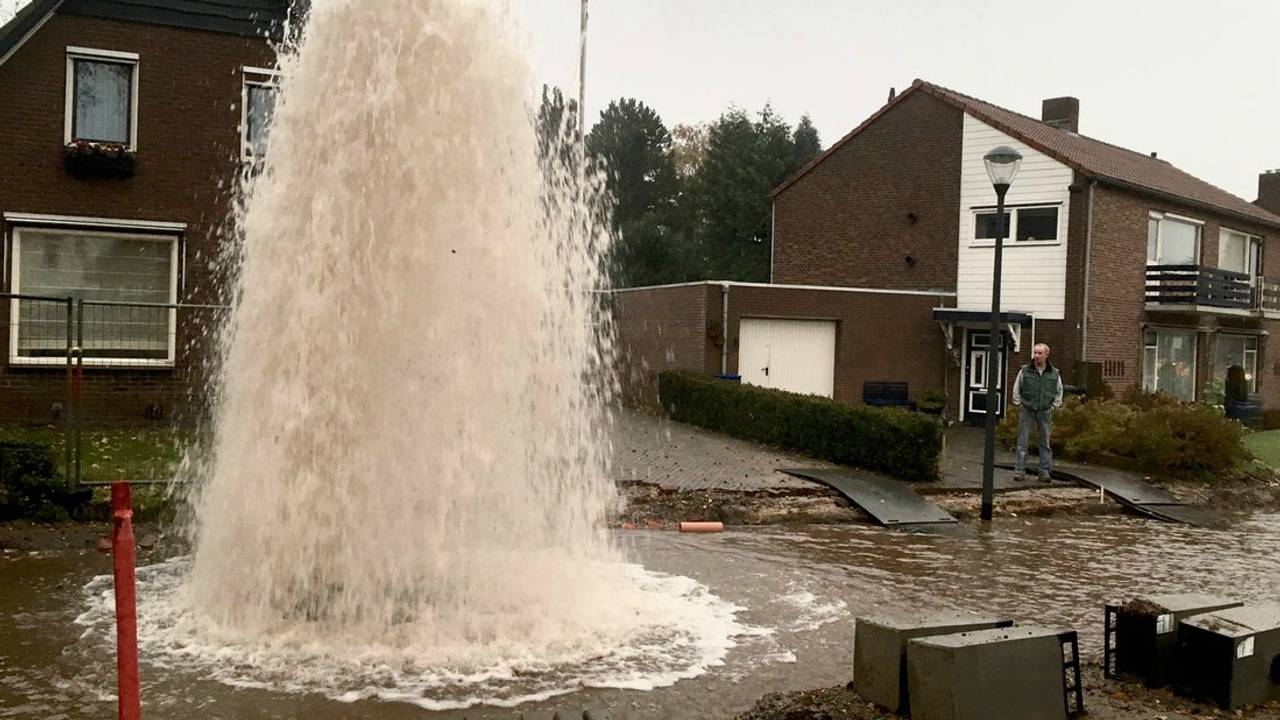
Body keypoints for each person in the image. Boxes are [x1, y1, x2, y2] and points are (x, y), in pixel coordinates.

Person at [1011, 342, 1063, 481]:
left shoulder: (1054, 373)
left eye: (1040, 353)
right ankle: (1020, 470)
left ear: (1046, 355)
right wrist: (1019, 403)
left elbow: (1059, 390)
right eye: (1035, 353)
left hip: (1045, 410)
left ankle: (1044, 471)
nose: (1036, 356)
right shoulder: (1025, 370)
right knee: (1023, 440)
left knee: (1045, 441)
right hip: (1027, 408)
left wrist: (1054, 405)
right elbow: (1017, 387)